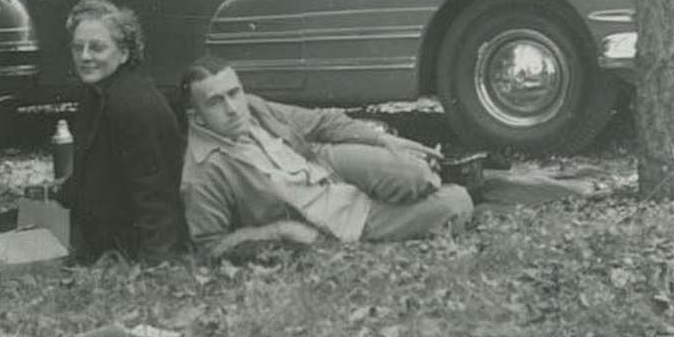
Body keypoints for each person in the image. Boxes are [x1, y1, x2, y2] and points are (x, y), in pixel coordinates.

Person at [178, 56, 472, 259]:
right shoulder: (203, 171)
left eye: (234, 93)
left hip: (323, 165)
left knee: (414, 172)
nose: (232, 108)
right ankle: (408, 211)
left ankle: (420, 186)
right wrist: (278, 231)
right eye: (216, 102)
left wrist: (382, 139)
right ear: (197, 117)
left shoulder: (252, 107)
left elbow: (320, 122)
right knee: (457, 202)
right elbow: (209, 246)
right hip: (329, 210)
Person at [54, 0, 187, 264]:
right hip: (97, 232)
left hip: (130, 245)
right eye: (78, 48)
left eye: (97, 48)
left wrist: (156, 265)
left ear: (124, 53)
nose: (85, 56)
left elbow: (157, 194)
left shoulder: (134, 104)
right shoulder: (96, 93)